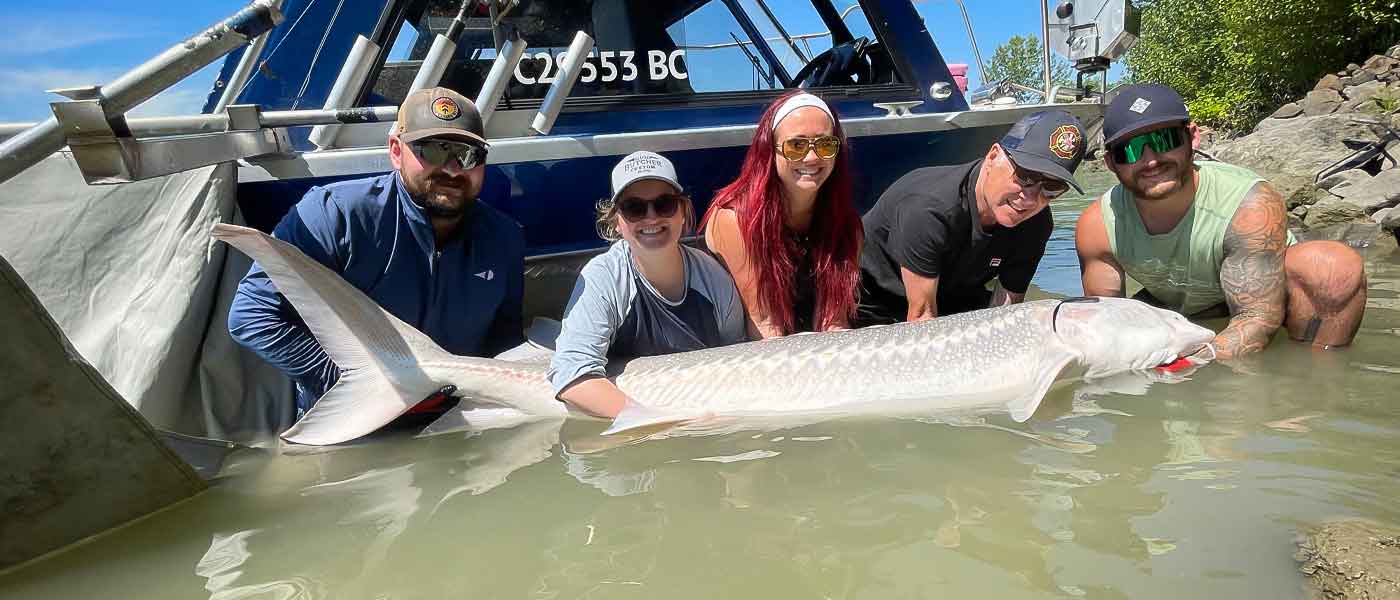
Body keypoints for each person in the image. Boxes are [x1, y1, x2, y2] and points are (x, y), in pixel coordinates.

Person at [229, 87, 524, 415]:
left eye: (469, 155)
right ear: (396, 151)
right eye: (435, 151)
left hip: (457, 417)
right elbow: (253, 315)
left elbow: (505, 344)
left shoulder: (505, 238)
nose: (453, 169)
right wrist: (350, 384)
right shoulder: (334, 214)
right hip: (352, 419)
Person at [1075, 83, 1367, 358]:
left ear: (1193, 137)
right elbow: (1106, 322)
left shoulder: (1250, 203)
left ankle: (1316, 377)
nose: (1151, 160)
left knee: (1331, 268)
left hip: (1268, 298)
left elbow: (1258, 317)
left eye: (1164, 139)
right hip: (1179, 305)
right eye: (1130, 150)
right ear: (1111, 163)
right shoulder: (1096, 225)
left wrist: (1187, 365)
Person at [549, 151, 747, 418]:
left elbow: (738, 361)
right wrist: (655, 420)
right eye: (634, 208)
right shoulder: (604, 275)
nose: (652, 218)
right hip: (643, 415)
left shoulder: (714, 279)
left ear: (683, 212)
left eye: (665, 204)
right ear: (616, 221)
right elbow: (571, 375)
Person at [855, 110, 1087, 325]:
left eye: (1052, 187)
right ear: (993, 156)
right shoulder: (928, 208)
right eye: (1025, 176)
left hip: (953, 296)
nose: (1030, 199)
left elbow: (1006, 310)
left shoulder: (1037, 223)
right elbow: (921, 318)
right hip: (872, 303)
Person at [702, 91, 864, 338]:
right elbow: (765, 327)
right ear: (770, 150)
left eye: (825, 145)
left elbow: (835, 322)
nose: (811, 157)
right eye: (796, 146)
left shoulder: (847, 225)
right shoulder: (733, 218)